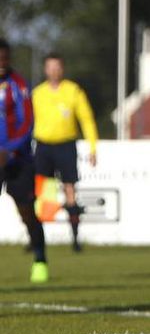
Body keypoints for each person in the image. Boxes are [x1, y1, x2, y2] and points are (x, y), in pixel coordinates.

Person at [32, 53, 98, 252]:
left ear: (63, 69)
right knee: (43, 194)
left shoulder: (73, 91)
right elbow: (25, 122)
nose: (54, 71)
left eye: (57, 67)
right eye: (50, 67)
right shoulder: (38, 93)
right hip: (43, 146)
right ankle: (36, 239)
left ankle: (75, 239)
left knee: (70, 190)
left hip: (66, 145)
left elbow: (86, 119)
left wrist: (93, 147)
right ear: (45, 70)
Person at [0, 38, 49, 283]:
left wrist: (8, 150)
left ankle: (40, 259)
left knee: (27, 211)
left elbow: (27, 123)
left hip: (18, 159)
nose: (1, 64)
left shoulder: (18, 85)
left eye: (5, 59)